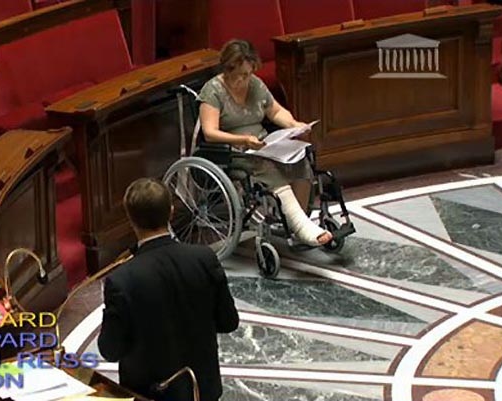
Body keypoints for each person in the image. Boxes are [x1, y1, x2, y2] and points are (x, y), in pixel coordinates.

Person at [98, 178, 239, 401]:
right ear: (171, 212)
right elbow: (229, 322)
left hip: (151, 394)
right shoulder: (204, 258)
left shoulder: (122, 280)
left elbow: (110, 350)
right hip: (203, 391)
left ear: (130, 219)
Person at [198, 39, 333, 246]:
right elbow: (210, 132)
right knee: (268, 167)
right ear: (228, 69)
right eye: (241, 74)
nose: (246, 78)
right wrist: (243, 139)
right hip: (234, 151)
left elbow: (276, 111)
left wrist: (294, 125)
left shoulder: (255, 84)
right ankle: (301, 226)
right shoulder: (213, 91)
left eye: (249, 73)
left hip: (262, 144)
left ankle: (298, 221)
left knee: (298, 158)